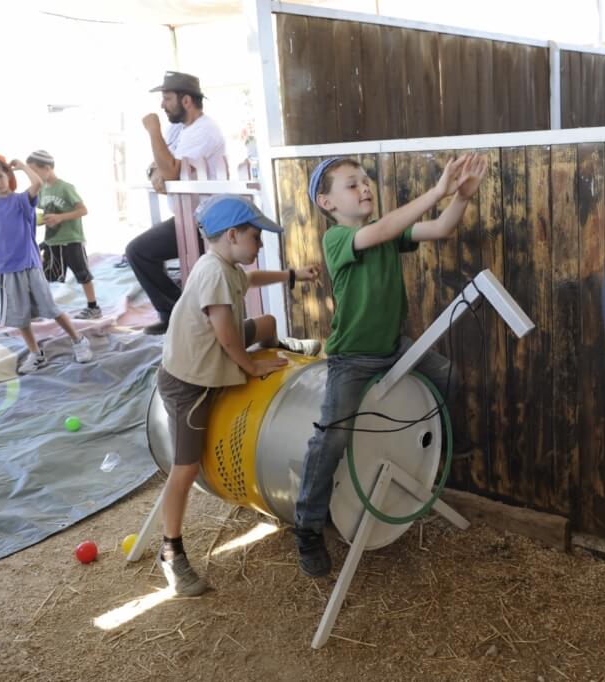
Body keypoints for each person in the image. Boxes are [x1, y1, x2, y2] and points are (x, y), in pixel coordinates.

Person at [293, 153, 486, 578]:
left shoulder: (386, 233)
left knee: (447, 377)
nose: (364, 187)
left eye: (365, 180)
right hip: (353, 357)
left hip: (392, 347)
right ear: (327, 204)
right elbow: (383, 229)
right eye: (351, 184)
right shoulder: (339, 239)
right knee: (333, 436)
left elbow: (440, 227)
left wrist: (462, 198)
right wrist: (438, 190)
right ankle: (307, 527)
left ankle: (439, 455)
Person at [155, 194, 321, 595]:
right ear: (232, 235)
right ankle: (171, 552)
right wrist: (251, 367)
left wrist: (292, 275)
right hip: (190, 381)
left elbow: (252, 281)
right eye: (256, 236)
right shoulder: (213, 273)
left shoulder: (224, 264)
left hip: (209, 353)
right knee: (186, 468)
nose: (260, 244)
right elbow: (227, 336)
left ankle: (287, 346)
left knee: (263, 323)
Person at [0, 154, 93, 373]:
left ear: (8, 175)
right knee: (20, 316)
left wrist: (21, 166)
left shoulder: (21, 200)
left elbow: (37, 183)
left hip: (30, 264)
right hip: (4, 269)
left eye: (0, 177)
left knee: (51, 308)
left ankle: (78, 340)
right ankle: (35, 353)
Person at [127, 71, 226, 335]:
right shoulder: (178, 129)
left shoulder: (205, 129)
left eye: (167, 98)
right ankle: (173, 312)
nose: (161, 105)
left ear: (186, 101)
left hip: (209, 219)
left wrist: (152, 132)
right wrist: (155, 172)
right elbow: (157, 166)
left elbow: (169, 171)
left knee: (139, 251)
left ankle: (176, 313)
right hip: (187, 215)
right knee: (138, 252)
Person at [26, 150, 100, 319]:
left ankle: (93, 307)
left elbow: (83, 210)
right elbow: (46, 211)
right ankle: (37, 307)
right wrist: (42, 219)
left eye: (34, 171)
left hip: (72, 240)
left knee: (82, 274)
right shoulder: (42, 190)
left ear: (47, 168)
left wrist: (60, 217)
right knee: (45, 274)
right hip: (53, 241)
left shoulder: (65, 187)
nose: (32, 176)